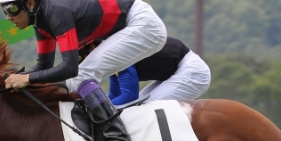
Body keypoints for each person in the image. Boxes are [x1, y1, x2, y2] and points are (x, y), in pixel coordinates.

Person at [0, 0, 167, 141]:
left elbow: (70, 68)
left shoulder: (56, 12)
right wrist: (12, 81)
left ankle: (119, 140)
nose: (8, 16)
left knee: (81, 75)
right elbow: (43, 66)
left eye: (11, 8)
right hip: (135, 23)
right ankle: (106, 134)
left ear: (30, 3)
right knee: (75, 80)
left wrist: (26, 78)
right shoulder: (41, 21)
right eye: (4, 9)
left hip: (143, 25)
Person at [78, 36, 211, 106]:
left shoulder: (115, 52)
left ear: (92, 48)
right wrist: (100, 105)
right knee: (137, 107)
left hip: (192, 71)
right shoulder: (109, 53)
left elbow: (129, 96)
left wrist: (98, 108)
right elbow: (115, 93)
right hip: (177, 70)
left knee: (145, 110)